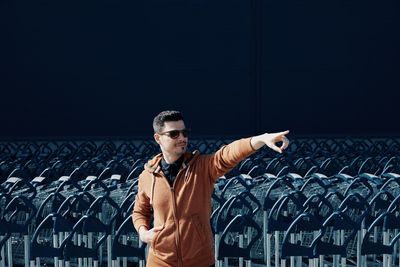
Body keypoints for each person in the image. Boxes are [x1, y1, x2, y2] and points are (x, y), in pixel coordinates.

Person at [133, 110, 290, 267]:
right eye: (174, 134)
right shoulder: (147, 176)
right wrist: (143, 233)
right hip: (160, 261)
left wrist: (261, 139)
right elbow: (140, 211)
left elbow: (227, 155)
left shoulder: (202, 167)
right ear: (158, 138)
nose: (182, 138)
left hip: (200, 261)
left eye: (184, 133)